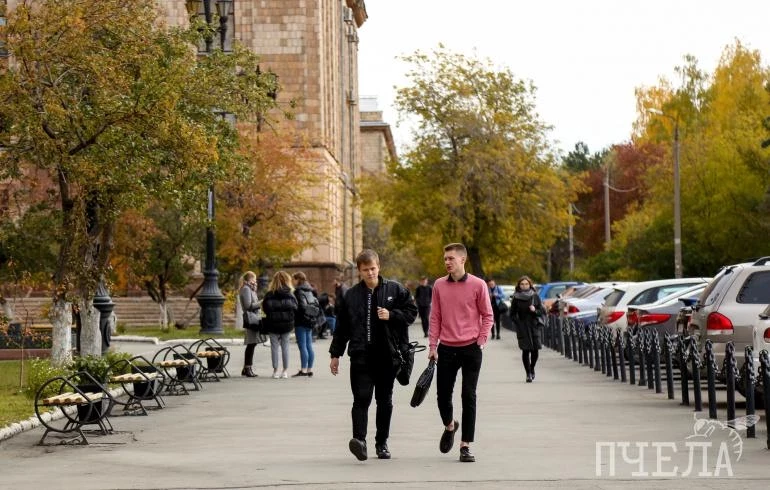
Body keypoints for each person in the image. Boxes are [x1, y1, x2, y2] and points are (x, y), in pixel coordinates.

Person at [329, 249, 417, 461]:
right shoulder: (351, 295)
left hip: (388, 356)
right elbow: (342, 328)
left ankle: (382, 443)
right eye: (365, 270)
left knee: (384, 400)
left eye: (373, 268)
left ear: (379, 267)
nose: (370, 273)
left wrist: (392, 315)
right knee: (361, 399)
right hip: (361, 356)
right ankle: (359, 441)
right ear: (359, 271)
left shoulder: (394, 290)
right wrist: (335, 354)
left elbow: (411, 313)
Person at [428, 243, 493, 463]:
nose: (447, 262)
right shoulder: (438, 285)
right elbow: (435, 316)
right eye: (445, 258)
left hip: (471, 348)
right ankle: (449, 426)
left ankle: (466, 445)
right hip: (446, 347)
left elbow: (488, 315)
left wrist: (482, 340)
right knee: (442, 396)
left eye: (451, 258)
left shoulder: (478, 284)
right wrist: (432, 346)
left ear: (462, 260)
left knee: (469, 395)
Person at [261, 271, 298, 379]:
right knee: (285, 347)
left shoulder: (269, 294)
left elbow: (265, 308)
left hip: (272, 324)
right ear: (287, 280)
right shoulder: (291, 294)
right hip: (287, 325)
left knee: (274, 347)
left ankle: (275, 371)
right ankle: (285, 371)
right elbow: (295, 308)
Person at [509, 275, 544, 383]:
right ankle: (528, 373)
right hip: (522, 326)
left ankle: (532, 367)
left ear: (530, 284)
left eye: (526, 284)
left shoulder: (535, 296)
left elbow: (542, 312)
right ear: (519, 285)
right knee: (525, 350)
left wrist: (535, 310)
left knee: (535, 350)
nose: (524, 286)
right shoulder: (516, 297)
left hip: (534, 325)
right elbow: (512, 314)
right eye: (522, 284)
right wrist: (518, 323)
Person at [293, 272, 321, 377]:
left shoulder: (298, 291)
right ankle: (309, 369)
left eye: (294, 279)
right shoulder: (310, 291)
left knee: (302, 346)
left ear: (297, 280)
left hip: (301, 321)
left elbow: (301, 307)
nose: (293, 282)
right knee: (309, 345)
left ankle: (303, 370)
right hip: (310, 320)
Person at [239, 271, 262, 377]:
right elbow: (248, 306)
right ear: (249, 279)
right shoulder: (246, 289)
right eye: (254, 279)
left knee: (252, 344)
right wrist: (261, 303)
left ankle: (246, 368)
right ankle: (248, 368)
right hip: (250, 318)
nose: (255, 281)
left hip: (254, 318)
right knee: (251, 344)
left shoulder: (251, 289)